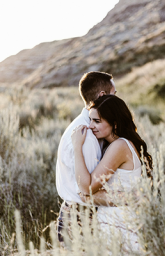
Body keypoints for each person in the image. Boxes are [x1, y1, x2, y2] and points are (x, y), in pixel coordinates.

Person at [71, 95, 153, 250]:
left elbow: (86, 187)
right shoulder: (117, 145)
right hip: (118, 222)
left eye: (97, 121)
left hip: (120, 225)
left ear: (114, 124)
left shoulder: (120, 146)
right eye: (90, 120)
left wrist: (77, 147)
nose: (90, 126)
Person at [56, 71, 117, 242]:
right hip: (81, 222)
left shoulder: (86, 127)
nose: (118, 99)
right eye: (115, 94)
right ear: (102, 95)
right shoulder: (87, 136)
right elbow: (90, 190)